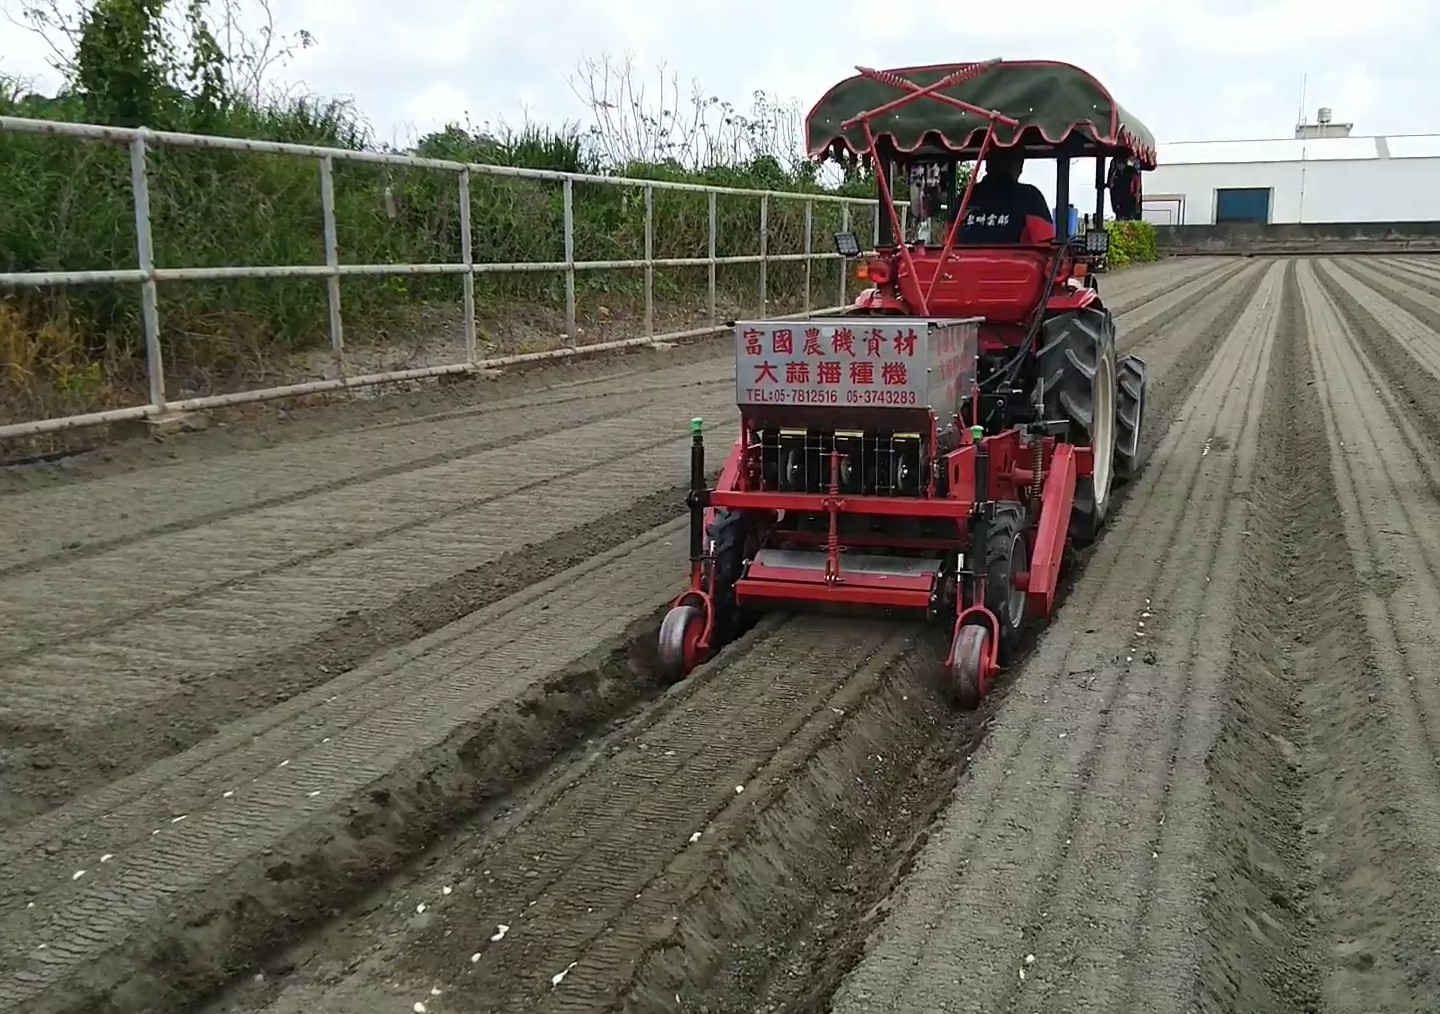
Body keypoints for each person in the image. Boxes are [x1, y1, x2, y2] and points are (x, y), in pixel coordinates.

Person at [956, 150, 1056, 244]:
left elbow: (1046, 245)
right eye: (1002, 158)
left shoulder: (968, 196)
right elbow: (1046, 248)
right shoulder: (1030, 197)